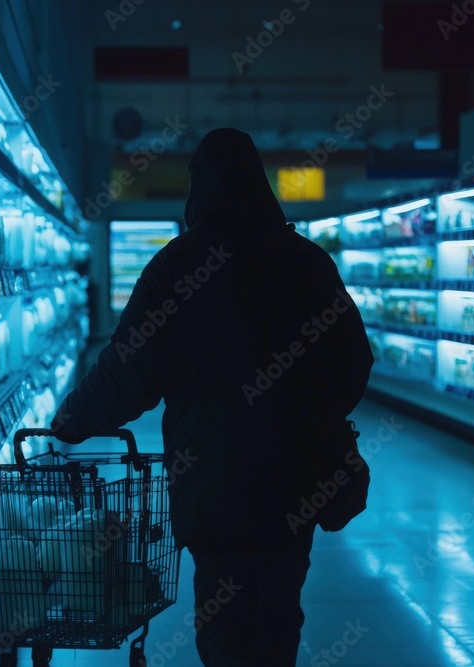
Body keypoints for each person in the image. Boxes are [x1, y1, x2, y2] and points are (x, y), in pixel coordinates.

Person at [50, 128, 374, 665]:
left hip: (215, 484)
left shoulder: (179, 267)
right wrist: (304, 411)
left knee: (225, 624)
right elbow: (353, 364)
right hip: (297, 485)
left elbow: (127, 372)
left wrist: (71, 419)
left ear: (199, 190)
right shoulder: (307, 263)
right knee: (279, 616)